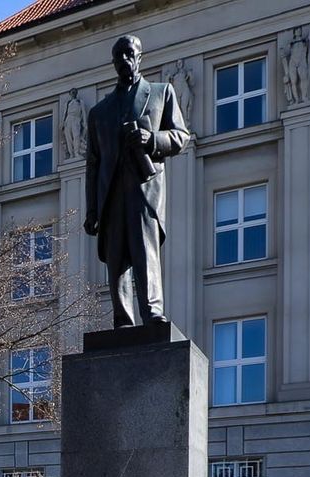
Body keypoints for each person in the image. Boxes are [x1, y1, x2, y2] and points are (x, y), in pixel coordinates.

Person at [84, 35, 192, 328]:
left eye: (129, 54)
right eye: (118, 56)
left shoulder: (160, 93)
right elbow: (93, 165)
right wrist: (92, 210)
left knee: (145, 253)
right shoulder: (99, 112)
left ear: (140, 56)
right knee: (116, 260)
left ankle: (152, 312)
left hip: (144, 190)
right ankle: (123, 319)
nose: (124, 60)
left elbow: (181, 137)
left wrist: (152, 139)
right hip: (111, 195)